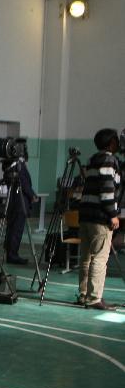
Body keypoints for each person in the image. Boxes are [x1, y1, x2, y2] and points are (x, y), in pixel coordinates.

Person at [76, 128, 121, 310]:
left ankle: (83, 295)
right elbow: (107, 190)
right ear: (111, 143)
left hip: (85, 215)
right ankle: (94, 298)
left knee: (86, 258)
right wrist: (113, 214)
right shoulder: (109, 161)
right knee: (100, 258)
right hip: (100, 218)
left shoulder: (91, 160)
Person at [4, 158, 37, 265]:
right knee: (16, 230)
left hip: (14, 202)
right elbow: (24, 183)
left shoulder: (9, 166)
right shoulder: (18, 166)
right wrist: (32, 195)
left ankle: (10, 253)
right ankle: (12, 254)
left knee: (12, 229)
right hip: (20, 203)